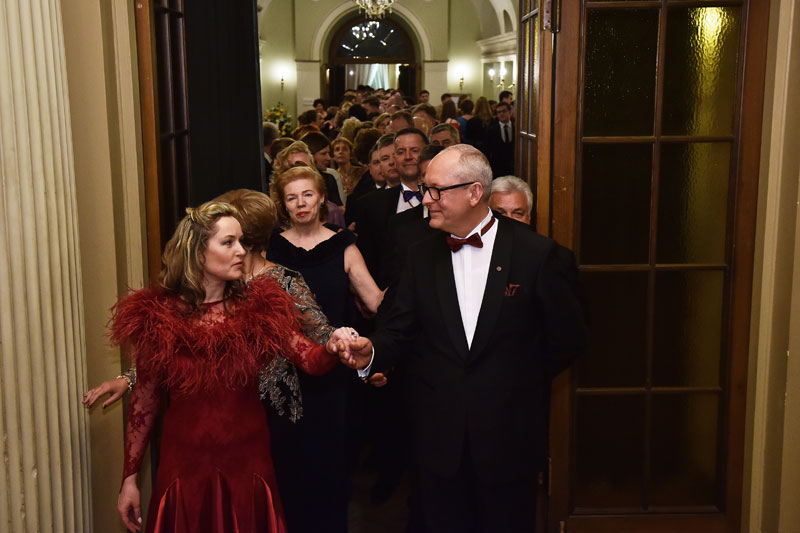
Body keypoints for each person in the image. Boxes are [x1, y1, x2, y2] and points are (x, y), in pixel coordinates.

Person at [338, 144, 587, 532]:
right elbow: (397, 330)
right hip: (437, 441)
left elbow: (568, 337)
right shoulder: (419, 256)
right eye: (426, 189)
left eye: (436, 190)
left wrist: (514, 381)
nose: (425, 199)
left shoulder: (538, 255)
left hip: (509, 438)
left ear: (474, 192)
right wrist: (371, 353)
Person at [112, 200, 353, 532]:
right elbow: (145, 401)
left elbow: (310, 360)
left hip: (247, 464)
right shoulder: (160, 319)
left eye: (241, 241)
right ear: (198, 252)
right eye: (228, 242)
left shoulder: (259, 309)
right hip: (184, 468)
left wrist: (333, 346)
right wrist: (130, 478)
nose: (242, 250)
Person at [268, 166, 384, 533]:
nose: (300, 203)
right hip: (282, 373)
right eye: (292, 197)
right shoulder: (271, 248)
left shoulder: (343, 246)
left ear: (322, 198)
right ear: (283, 204)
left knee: (330, 459)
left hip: (333, 370)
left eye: (307, 195)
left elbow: (374, 302)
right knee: (287, 461)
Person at [486, 101, 515, 177]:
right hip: (498, 169)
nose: (501, 114)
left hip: (514, 167)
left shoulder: (516, 128)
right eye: (499, 112)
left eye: (504, 111)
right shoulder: (491, 130)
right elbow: (488, 149)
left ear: (510, 112)